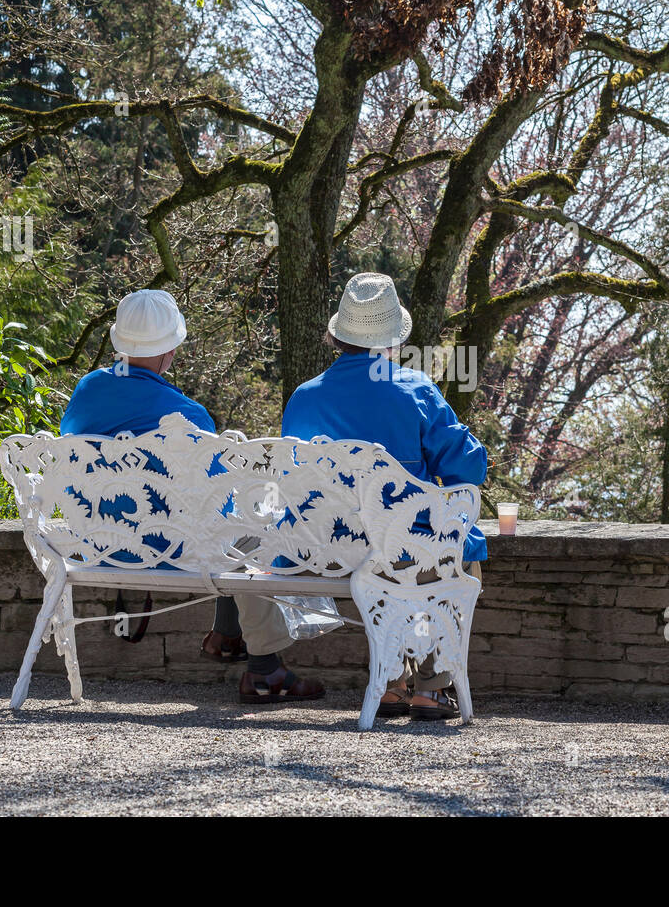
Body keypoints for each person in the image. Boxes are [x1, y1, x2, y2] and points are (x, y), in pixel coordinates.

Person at [60, 288, 325, 704]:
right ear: (170, 351)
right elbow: (216, 507)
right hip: (167, 549)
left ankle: (227, 637)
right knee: (255, 531)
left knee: (237, 527)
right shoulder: (188, 418)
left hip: (97, 542)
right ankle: (264, 670)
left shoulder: (86, 391)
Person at [281, 272, 488, 721]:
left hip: (322, 548)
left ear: (337, 337)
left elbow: (292, 478)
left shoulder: (303, 398)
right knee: (444, 547)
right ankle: (430, 688)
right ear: (392, 340)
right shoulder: (414, 390)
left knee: (386, 543)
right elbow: (468, 469)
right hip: (396, 550)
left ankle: (393, 684)